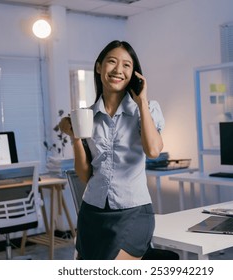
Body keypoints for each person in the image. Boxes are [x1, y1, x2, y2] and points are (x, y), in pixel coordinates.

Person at [59, 40, 164, 260]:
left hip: (134, 212)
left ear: (134, 73)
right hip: (93, 211)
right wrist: (75, 138)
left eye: (126, 65)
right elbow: (85, 175)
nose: (118, 70)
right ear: (99, 67)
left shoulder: (146, 108)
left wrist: (142, 101)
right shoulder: (86, 116)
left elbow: (153, 150)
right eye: (112, 62)